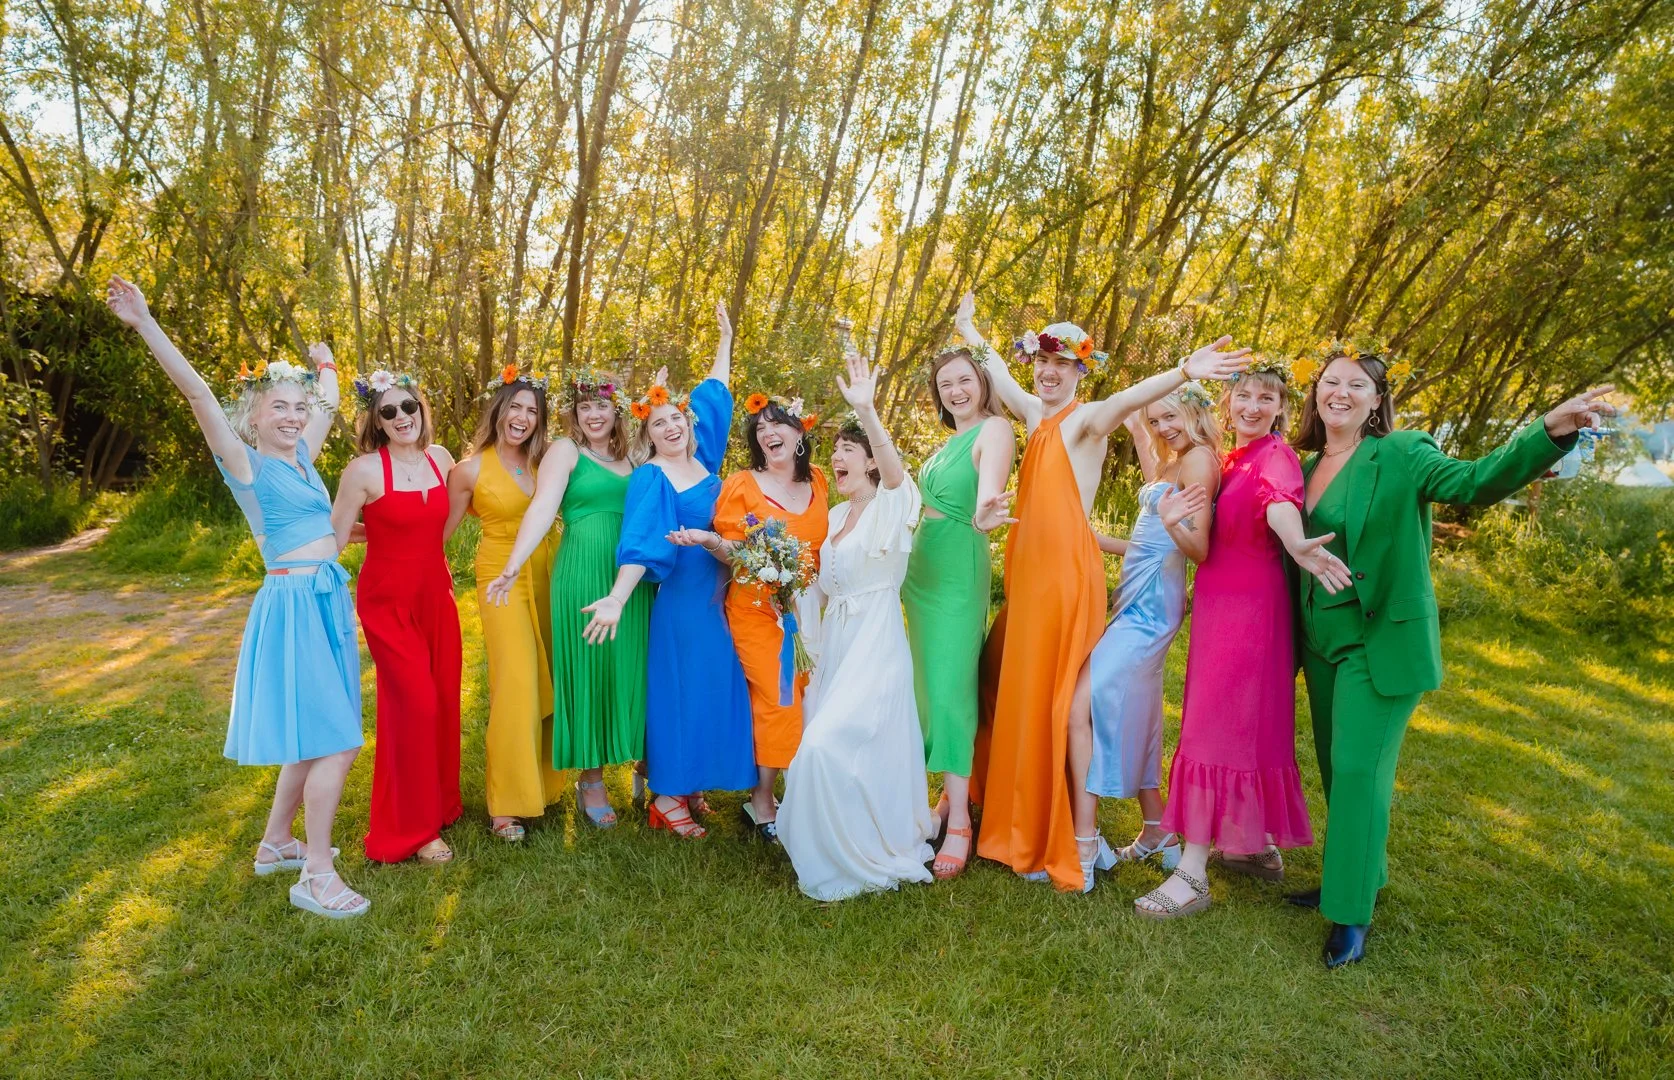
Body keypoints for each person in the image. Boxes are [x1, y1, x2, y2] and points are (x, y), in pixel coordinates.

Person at [1286, 343, 1609, 967]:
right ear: (1316, 394)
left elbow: (1475, 481)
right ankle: (1357, 874)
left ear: (1377, 401)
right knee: (1340, 770)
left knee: (1358, 770)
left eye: (1356, 385)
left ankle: (1350, 914)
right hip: (1321, 645)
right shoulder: (1300, 467)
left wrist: (1548, 431)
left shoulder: (1403, 453)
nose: (1341, 393)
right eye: (1331, 382)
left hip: (1379, 645)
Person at [960, 290, 1254, 891]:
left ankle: (1059, 833)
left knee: (1052, 699)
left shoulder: (1088, 420)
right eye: (1042, 361)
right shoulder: (1037, 417)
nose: (1049, 371)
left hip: (1066, 579)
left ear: (1079, 371)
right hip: (1027, 575)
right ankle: (1006, 805)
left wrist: (1182, 372)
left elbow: (1127, 399)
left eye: (1063, 363)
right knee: (1000, 679)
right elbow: (998, 375)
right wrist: (970, 329)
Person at [105, 275, 368, 918]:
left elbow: (329, 407)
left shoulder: (302, 457)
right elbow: (196, 392)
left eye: (297, 409)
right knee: (338, 739)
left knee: (315, 735)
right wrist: (145, 323)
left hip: (326, 602)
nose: (293, 417)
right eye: (279, 407)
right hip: (294, 606)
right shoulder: (248, 464)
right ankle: (316, 872)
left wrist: (324, 367)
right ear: (252, 414)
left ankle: (277, 841)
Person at [1139, 359, 1350, 920]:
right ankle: (1255, 847)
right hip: (1222, 607)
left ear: (1283, 408)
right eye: (1244, 396)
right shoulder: (1231, 458)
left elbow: (1279, 505)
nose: (1253, 407)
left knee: (1216, 729)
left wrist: (1299, 543)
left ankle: (1192, 872)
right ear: (1227, 402)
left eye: (1266, 399)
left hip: (1249, 616)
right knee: (1240, 726)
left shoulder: (1276, 457)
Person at [584, 303, 754, 838]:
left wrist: (725, 339)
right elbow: (640, 544)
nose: (672, 426)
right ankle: (666, 796)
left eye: (677, 418)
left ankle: (691, 781)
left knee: (712, 684)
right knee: (682, 689)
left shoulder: (704, 460)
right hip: (682, 601)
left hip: (718, 593)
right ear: (649, 435)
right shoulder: (652, 478)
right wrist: (616, 596)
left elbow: (716, 396)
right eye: (659, 423)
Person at [776, 350, 936, 900]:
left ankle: (871, 845)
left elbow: (896, 475)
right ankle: (834, 834)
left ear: (871, 461)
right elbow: (824, 583)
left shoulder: (895, 501)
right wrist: (784, 584)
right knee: (829, 740)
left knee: (827, 743)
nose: (837, 459)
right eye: (837, 450)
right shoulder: (837, 516)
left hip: (877, 639)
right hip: (837, 643)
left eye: (849, 450)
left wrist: (867, 413)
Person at [484, 366, 657, 828]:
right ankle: (592, 779)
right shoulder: (565, 450)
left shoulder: (636, 456)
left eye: (602, 405)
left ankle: (641, 761)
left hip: (631, 576)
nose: (594, 415)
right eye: (585, 407)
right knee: (591, 669)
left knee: (630, 668)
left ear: (616, 409)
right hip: (582, 569)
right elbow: (542, 506)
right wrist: (515, 562)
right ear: (573, 414)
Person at [1086, 385, 1223, 872]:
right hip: (1135, 596)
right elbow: (1153, 527)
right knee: (1139, 708)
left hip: (1153, 609)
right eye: (1156, 420)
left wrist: (1170, 523)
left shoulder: (1200, 460)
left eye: (1170, 418)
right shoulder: (1174, 459)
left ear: (1193, 412)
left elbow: (1198, 547)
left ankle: (1086, 819)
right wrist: (1097, 539)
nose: (1163, 428)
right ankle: (1158, 827)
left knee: (1094, 691)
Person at [331, 372, 462, 865]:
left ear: (422, 409)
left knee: (444, 697)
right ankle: (412, 829)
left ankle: (442, 802)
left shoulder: (442, 458)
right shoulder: (362, 470)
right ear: (376, 421)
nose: (401, 417)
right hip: (387, 602)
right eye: (388, 411)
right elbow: (335, 538)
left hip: (436, 595)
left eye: (409, 407)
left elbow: (469, 499)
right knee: (415, 706)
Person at [900, 347, 1016, 880]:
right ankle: (949, 795)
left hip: (955, 573)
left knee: (949, 692)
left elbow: (989, 490)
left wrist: (989, 509)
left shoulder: (993, 431)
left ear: (982, 382)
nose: (955, 391)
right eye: (945, 384)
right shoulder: (948, 441)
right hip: (920, 577)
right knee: (927, 690)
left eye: (964, 380)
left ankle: (961, 825)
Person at [446, 367, 561, 841]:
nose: (522, 417)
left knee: (549, 674)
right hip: (499, 577)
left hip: (549, 571)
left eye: (531, 411)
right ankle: (506, 804)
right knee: (515, 679)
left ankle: (545, 787)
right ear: (498, 410)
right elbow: (438, 533)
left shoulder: (547, 463)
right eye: (515, 406)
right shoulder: (468, 470)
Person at [713, 382, 829, 841]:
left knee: (812, 695)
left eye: (777, 423)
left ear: (799, 433)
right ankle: (762, 799)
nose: (768, 432)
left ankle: (803, 791)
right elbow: (725, 549)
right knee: (782, 698)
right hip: (756, 609)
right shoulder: (741, 484)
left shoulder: (819, 479)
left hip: (808, 611)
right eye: (760, 428)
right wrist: (762, 560)